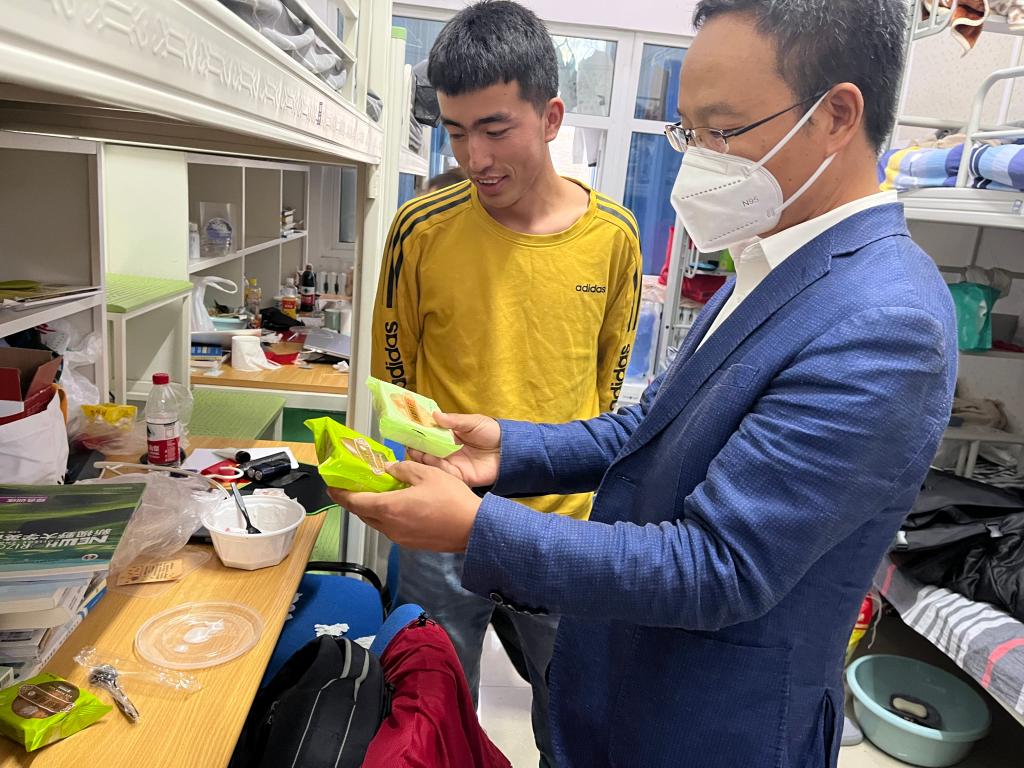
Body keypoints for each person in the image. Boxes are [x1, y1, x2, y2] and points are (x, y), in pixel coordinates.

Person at [338, 1, 959, 766]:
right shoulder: (769, 264)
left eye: (720, 130)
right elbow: (650, 424)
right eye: (687, 132)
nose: (698, 161)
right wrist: (507, 449)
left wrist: (475, 528)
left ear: (835, 116)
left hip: (705, 729)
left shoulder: (886, 323)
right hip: (622, 684)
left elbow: (718, 566)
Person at [369, 3, 643, 765]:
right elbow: (395, 371)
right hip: (440, 520)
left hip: (561, 525)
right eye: (456, 132)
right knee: (431, 714)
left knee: (574, 720)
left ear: (550, 117)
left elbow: (607, 388)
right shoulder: (420, 228)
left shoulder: (614, 238)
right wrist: (416, 472)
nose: (474, 157)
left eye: (495, 129)